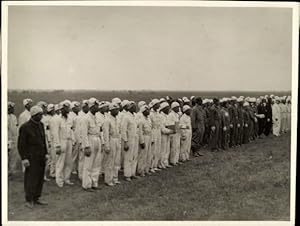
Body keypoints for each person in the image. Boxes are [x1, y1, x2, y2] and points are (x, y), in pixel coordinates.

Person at [18, 105, 49, 208]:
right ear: (34, 115)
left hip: (40, 156)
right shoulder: (25, 127)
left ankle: (36, 197)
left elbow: (43, 140)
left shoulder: (41, 125)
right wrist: (24, 158)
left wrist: (46, 153)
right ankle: (29, 199)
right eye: (40, 115)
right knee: (31, 178)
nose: (42, 116)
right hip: (31, 157)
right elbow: (21, 145)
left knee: (40, 177)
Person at [81, 98, 102, 191]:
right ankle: (87, 185)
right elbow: (84, 134)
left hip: (97, 139)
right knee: (88, 164)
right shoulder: (86, 118)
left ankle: (94, 183)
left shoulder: (96, 117)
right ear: (91, 107)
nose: (97, 107)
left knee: (96, 163)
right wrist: (86, 146)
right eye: (96, 105)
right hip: (90, 140)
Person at [53, 100, 75, 187]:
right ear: (61, 109)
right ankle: (59, 180)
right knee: (60, 162)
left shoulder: (70, 118)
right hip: (61, 141)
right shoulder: (57, 119)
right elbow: (55, 133)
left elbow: (71, 130)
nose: (68, 109)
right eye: (66, 108)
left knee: (68, 161)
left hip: (69, 141)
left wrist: (73, 141)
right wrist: (57, 145)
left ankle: (67, 179)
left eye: (68, 108)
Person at [103, 103, 121, 186]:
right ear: (111, 110)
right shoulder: (107, 120)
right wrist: (107, 145)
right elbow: (106, 134)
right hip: (111, 139)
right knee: (110, 160)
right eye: (115, 109)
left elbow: (119, 131)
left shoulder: (117, 119)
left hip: (117, 139)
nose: (117, 111)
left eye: (117, 109)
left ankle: (115, 178)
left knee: (116, 160)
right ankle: (108, 179)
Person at [121, 101, 139, 181]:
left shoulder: (134, 116)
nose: (135, 108)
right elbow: (123, 130)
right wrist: (125, 142)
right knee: (128, 157)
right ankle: (127, 174)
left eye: (135, 106)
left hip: (135, 138)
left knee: (134, 156)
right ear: (129, 108)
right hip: (129, 139)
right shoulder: (126, 117)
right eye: (132, 106)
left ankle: (132, 173)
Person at [137, 105, 153, 176]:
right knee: (142, 154)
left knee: (148, 154)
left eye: (148, 110)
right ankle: (141, 170)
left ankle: (147, 169)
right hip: (144, 137)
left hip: (149, 136)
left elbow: (150, 130)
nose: (148, 111)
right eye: (146, 110)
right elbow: (140, 132)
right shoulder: (141, 121)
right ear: (143, 112)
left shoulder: (149, 119)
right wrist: (142, 141)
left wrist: (152, 139)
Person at [159, 102, 175, 168]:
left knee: (167, 149)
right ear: (163, 109)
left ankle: (165, 163)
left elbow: (168, 125)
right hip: (163, 135)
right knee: (163, 150)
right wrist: (170, 131)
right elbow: (162, 128)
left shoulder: (167, 116)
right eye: (167, 108)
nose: (169, 110)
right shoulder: (161, 116)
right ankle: (161, 164)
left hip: (168, 134)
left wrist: (171, 130)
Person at [48, 104, 62, 178]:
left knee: (57, 158)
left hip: (58, 139)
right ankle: (52, 172)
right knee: (54, 157)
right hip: (54, 139)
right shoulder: (54, 119)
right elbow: (54, 132)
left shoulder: (58, 118)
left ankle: (56, 172)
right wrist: (56, 143)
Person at [149, 99, 162, 173]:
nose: (159, 105)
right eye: (157, 104)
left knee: (158, 149)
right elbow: (150, 125)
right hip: (153, 132)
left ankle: (155, 165)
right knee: (153, 150)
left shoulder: (158, 113)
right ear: (154, 105)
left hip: (158, 131)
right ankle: (151, 166)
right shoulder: (151, 114)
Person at [168, 101, 181, 166]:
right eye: (177, 107)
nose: (179, 109)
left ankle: (176, 160)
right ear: (174, 108)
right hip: (173, 133)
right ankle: (172, 161)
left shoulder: (177, 115)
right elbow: (171, 125)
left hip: (177, 132)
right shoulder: (171, 115)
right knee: (173, 147)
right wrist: (175, 130)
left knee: (177, 147)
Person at [8, 102, 19, 176]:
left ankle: (12, 170)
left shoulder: (14, 117)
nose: (13, 109)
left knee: (13, 155)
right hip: (8, 139)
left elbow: (16, 127)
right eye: (12, 108)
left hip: (14, 138)